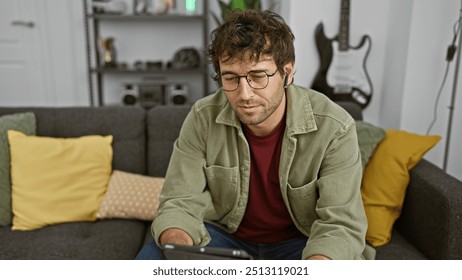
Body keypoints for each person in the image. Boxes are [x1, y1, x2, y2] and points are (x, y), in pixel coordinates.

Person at [136, 9, 374, 260]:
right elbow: (179, 201)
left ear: (288, 72)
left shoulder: (335, 127)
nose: (244, 94)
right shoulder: (202, 117)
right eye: (230, 78)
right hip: (223, 237)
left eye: (258, 76)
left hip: (303, 243)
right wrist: (181, 251)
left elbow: (340, 225)